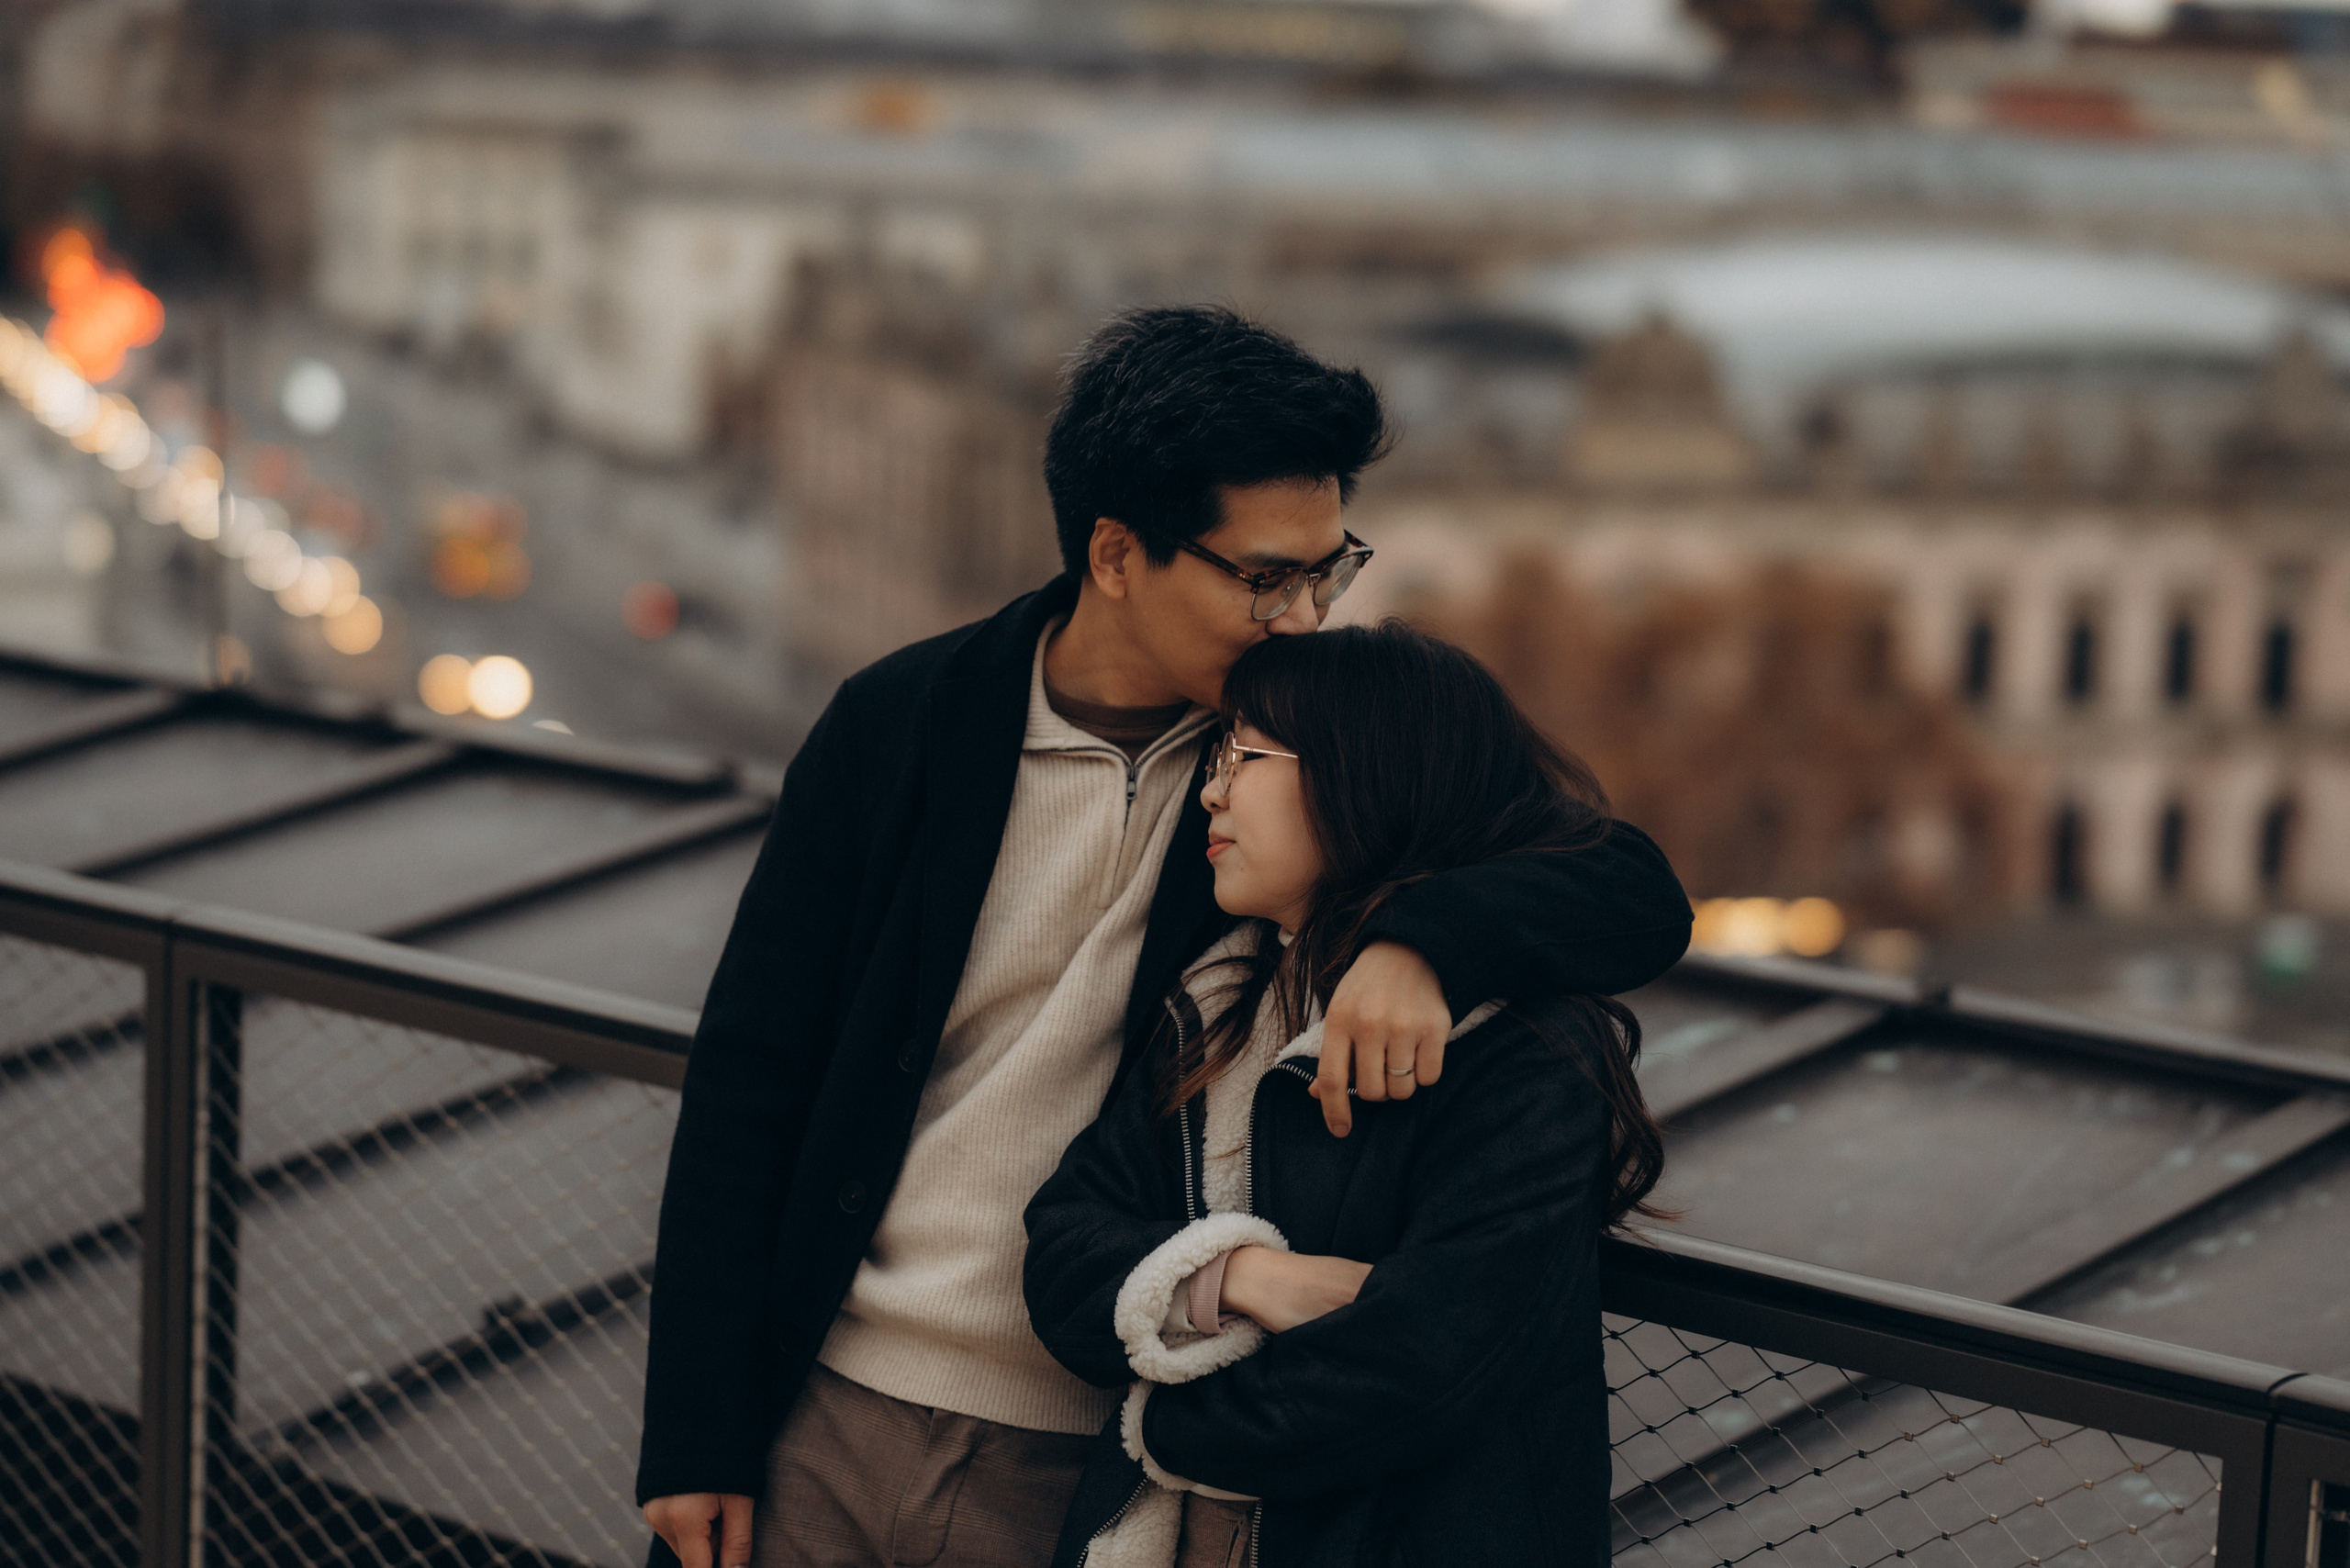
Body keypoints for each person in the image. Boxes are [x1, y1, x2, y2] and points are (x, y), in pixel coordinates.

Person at [637, 306, 1691, 1568]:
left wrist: (1425, 941)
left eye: (1328, 567)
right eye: (1263, 577)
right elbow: (754, 1076)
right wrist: (696, 1433)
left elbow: (1630, 888)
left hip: (1092, 1439)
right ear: (1118, 553)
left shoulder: (1309, 753)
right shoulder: (905, 724)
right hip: (827, 1401)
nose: (1303, 616)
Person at [1023, 622, 1668, 1568]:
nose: (1212, 787)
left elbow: (1422, 1368)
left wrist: (1164, 1425)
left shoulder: (1517, 1051)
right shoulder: (1211, 1005)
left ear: (1362, 773)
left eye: (1244, 754)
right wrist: (1239, 1276)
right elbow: (1063, 1249)